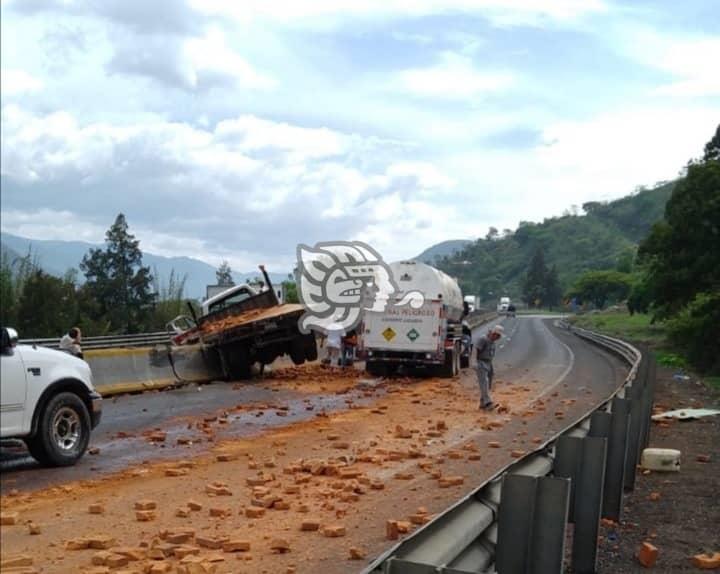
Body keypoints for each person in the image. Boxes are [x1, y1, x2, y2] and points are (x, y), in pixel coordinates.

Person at [475, 324, 504, 410]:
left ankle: (482, 403)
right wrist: (474, 363)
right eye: (498, 336)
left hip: (488, 363)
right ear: (494, 333)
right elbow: (475, 350)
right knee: (484, 382)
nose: (498, 338)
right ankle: (488, 403)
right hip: (481, 362)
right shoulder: (483, 339)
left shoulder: (492, 341)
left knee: (489, 383)